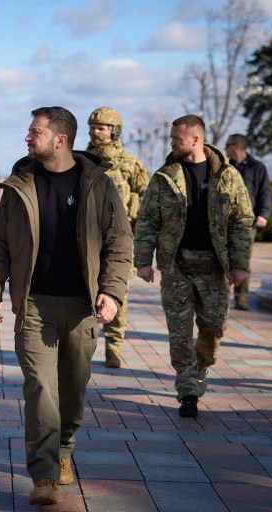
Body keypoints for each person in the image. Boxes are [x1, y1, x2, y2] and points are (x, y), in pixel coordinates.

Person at [0, 106, 132, 506]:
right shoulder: (20, 185)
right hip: (35, 305)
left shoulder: (98, 185)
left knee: (72, 391)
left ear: (60, 139)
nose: (27, 138)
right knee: (41, 387)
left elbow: (120, 244)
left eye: (35, 132)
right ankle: (43, 474)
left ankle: (65, 445)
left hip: (83, 307)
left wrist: (112, 293)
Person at [134, 115, 253, 418]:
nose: (172, 143)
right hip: (177, 266)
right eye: (171, 138)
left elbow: (241, 222)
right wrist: (143, 262)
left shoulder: (227, 176)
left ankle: (202, 364)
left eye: (177, 138)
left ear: (197, 140)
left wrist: (240, 266)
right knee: (180, 332)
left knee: (213, 329)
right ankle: (187, 390)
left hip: (214, 266)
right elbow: (147, 219)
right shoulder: (164, 177)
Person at [86, 107, 149, 368]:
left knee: (116, 295)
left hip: (120, 242)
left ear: (114, 131)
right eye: (92, 127)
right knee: (85, 294)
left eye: (101, 127)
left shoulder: (129, 164)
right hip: (88, 240)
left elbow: (148, 202)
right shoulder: (81, 162)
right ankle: (84, 348)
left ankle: (114, 346)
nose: (95, 132)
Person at [225, 134, 272, 311]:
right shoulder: (224, 167)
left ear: (237, 146)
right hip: (224, 221)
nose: (225, 147)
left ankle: (240, 297)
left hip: (247, 223)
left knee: (242, 260)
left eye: (228, 144)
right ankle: (221, 295)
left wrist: (264, 215)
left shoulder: (257, 167)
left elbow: (265, 192)